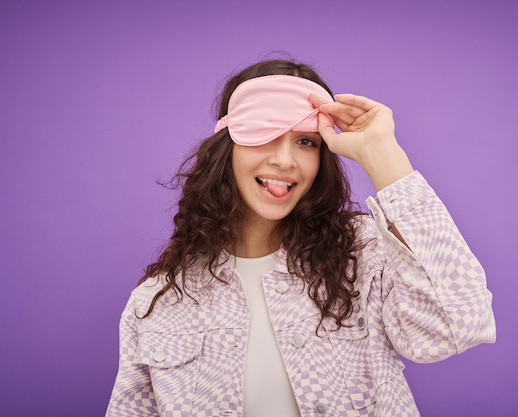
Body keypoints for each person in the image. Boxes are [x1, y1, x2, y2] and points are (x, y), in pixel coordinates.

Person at [106, 59, 496, 417]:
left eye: (306, 141)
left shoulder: (363, 254)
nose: (285, 160)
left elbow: (457, 325)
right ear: (227, 147)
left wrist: (384, 154)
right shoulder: (158, 301)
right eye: (263, 134)